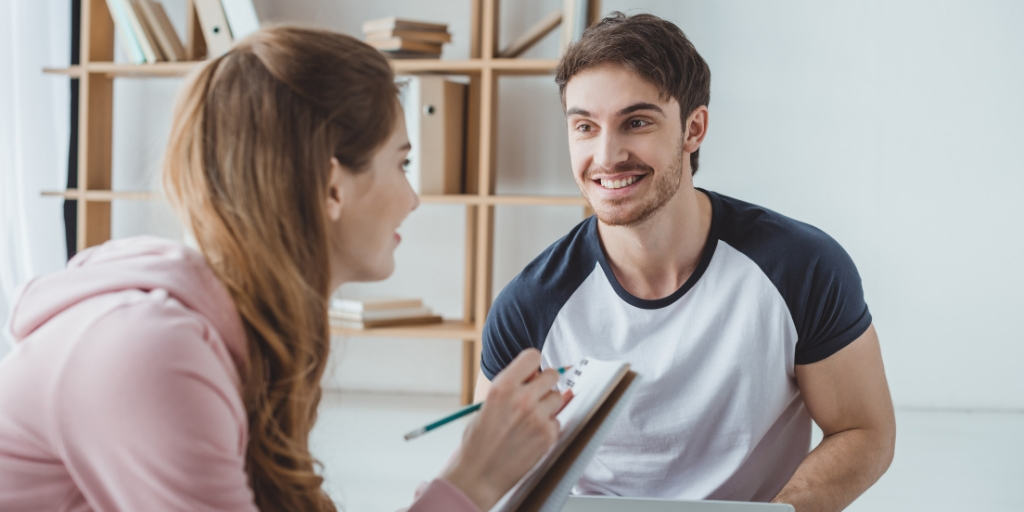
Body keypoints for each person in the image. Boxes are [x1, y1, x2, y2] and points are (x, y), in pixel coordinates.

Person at [0, 26, 566, 512]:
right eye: (403, 162)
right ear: (331, 185)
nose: (413, 199)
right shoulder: (150, 353)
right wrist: (471, 481)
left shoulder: (229, 339)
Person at [475, 12, 896, 511]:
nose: (606, 155)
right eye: (585, 127)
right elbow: (487, 471)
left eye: (636, 122)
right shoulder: (530, 304)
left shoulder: (801, 267)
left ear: (693, 128)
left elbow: (863, 430)